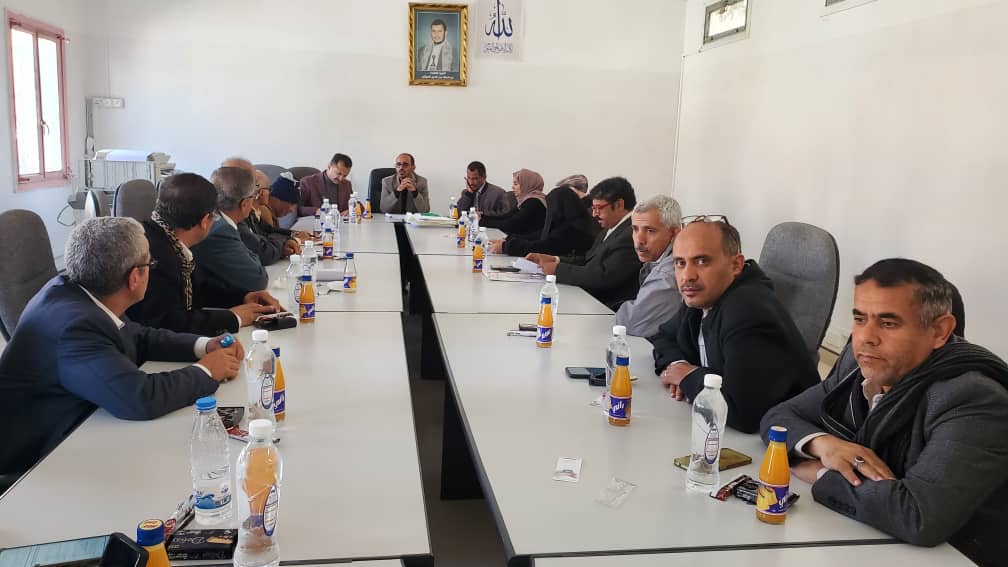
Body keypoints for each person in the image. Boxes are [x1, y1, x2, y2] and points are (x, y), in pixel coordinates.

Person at [761, 259, 1008, 565]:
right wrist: (823, 445)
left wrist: (823, 473)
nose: (866, 337)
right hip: (870, 541)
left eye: (888, 323)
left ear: (939, 331)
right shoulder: (860, 363)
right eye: (859, 318)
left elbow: (919, 517)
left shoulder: (973, 398)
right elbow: (778, 418)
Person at [0, 217, 244, 476]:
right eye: (150, 264)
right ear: (135, 277)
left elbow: (138, 336)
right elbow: (140, 398)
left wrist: (203, 346)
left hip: (87, 422)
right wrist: (207, 371)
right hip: (41, 464)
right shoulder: (75, 328)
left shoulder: (80, 291)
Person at [650, 218, 818, 433]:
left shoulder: (747, 309)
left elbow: (742, 412)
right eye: (680, 263)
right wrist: (679, 365)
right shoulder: (702, 294)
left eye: (701, 261)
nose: (687, 276)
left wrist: (688, 377)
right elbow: (664, 336)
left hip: (779, 440)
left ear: (736, 265)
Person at [127, 173, 281, 335]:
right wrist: (233, 318)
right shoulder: (155, 256)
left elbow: (198, 286)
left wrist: (244, 297)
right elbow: (169, 322)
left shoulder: (162, 236)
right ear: (205, 221)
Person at [525, 177, 642, 310]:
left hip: (607, 307)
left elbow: (604, 276)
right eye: (593, 208)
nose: (594, 214)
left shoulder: (632, 233)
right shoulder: (610, 228)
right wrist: (555, 260)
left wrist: (557, 270)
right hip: (591, 299)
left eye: (599, 208)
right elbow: (588, 260)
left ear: (619, 204)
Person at [191, 167, 269, 294]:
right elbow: (258, 279)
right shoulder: (221, 230)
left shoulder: (219, 220)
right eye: (253, 197)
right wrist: (253, 258)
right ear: (244, 204)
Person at [614, 195, 683, 338]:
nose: (639, 240)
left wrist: (630, 307)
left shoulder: (668, 273)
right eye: (635, 229)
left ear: (675, 233)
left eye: (650, 231)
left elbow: (632, 324)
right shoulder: (660, 260)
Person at [488, 177, 595, 257]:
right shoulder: (569, 221)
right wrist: (509, 240)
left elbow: (545, 246)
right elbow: (542, 234)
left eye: (516, 184)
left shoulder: (573, 228)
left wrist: (506, 247)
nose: (513, 187)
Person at [478, 169, 547, 237]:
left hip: (528, 242)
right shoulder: (524, 201)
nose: (512, 187)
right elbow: (505, 217)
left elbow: (510, 225)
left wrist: (481, 222)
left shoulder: (533, 202)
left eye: (516, 184)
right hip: (520, 240)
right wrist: (482, 216)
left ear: (526, 185)